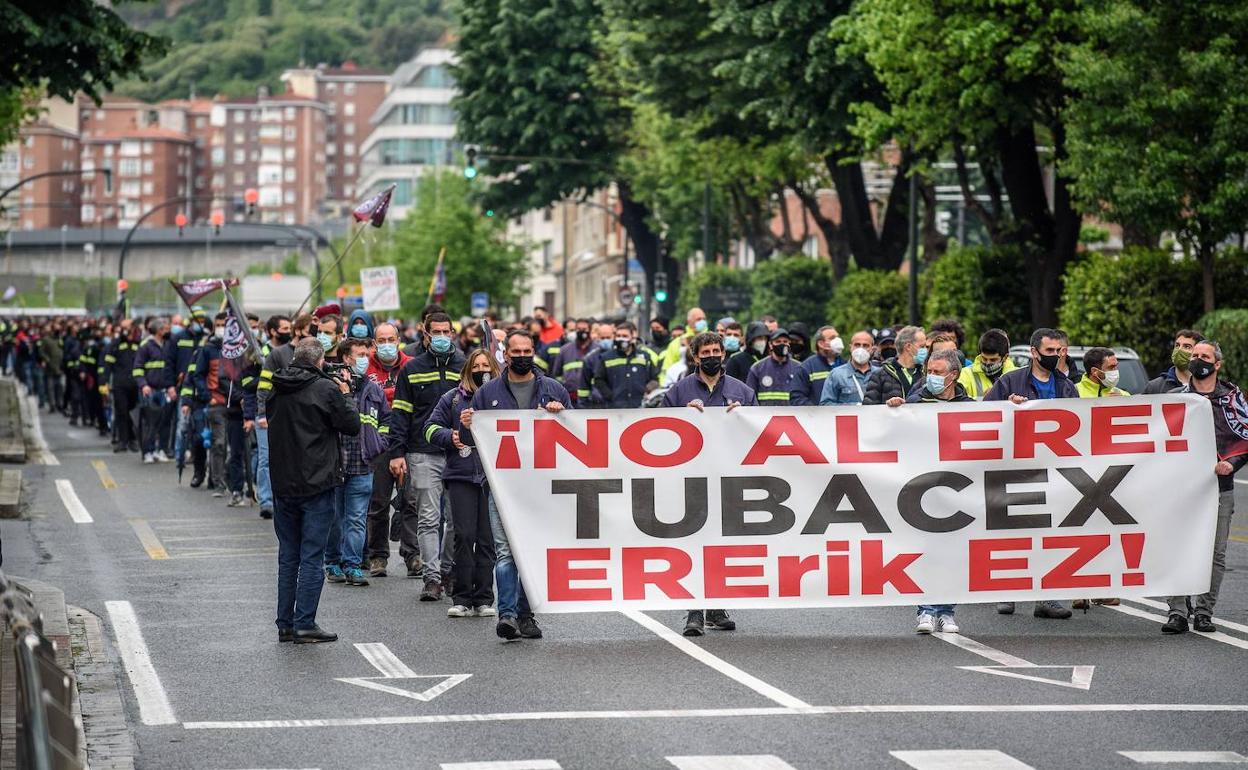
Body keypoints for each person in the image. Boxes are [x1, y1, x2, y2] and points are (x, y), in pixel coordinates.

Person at [460, 329, 570, 640]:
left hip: (541, 486)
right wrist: (466, 425)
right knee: (506, 552)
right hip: (502, 487)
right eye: (516, 351)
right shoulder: (487, 392)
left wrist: (560, 416)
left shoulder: (553, 389)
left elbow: (576, 436)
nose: (521, 356)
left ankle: (526, 615)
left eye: (527, 351)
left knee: (532, 551)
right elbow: (470, 441)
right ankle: (506, 615)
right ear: (505, 355)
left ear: (534, 352)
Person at [661, 331, 757, 636]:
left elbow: (763, 430)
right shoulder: (679, 391)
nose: (712, 356)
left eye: (717, 351)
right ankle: (694, 611)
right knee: (694, 543)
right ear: (695, 357)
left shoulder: (742, 391)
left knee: (721, 545)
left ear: (724, 355)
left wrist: (745, 417)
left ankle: (715, 607)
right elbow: (656, 429)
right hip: (691, 479)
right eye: (706, 352)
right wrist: (681, 416)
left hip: (729, 479)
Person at [268, 338, 361, 644]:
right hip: (317, 481)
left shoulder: (276, 387)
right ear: (320, 360)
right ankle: (305, 621)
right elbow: (351, 426)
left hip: (284, 482)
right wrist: (346, 394)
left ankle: (285, 623)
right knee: (312, 555)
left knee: (288, 555)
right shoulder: (326, 389)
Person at [984, 328, 1079, 619]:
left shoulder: (1067, 387)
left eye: (1060, 351)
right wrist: (1006, 408)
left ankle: (1046, 598)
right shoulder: (1010, 382)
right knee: (1014, 533)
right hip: (1015, 469)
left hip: (1053, 472)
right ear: (1035, 353)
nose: (1056, 356)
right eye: (1050, 351)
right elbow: (983, 417)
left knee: (1048, 535)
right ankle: (1008, 591)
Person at [1162, 340, 1247, 635]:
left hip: (1219, 487)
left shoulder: (1233, 399)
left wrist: (1231, 464)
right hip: (1180, 489)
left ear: (1217, 364)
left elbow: (1245, 440)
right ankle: (1176, 611)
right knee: (1177, 547)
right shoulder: (1175, 399)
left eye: (1204, 356)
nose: (1198, 359)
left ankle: (1204, 611)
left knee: (1216, 553)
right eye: (1195, 355)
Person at [886, 348, 971, 633]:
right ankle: (925, 610)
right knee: (924, 552)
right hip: (922, 491)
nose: (931, 378)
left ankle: (946, 612)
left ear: (954, 375)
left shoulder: (970, 406)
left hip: (957, 492)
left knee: (951, 554)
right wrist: (895, 413)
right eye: (929, 372)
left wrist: (1013, 407)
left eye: (937, 373)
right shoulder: (914, 404)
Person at [389, 312, 465, 599]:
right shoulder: (413, 368)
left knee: (457, 519)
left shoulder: (465, 367)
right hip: (422, 452)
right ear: (426, 334)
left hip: (460, 452)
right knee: (429, 518)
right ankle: (431, 578)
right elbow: (400, 414)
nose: (442, 337)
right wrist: (397, 452)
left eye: (447, 331)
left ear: (453, 333)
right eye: (437, 332)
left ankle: (449, 571)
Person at [427, 349, 499, 618]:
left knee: (487, 538)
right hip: (461, 475)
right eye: (476, 366)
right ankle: (461, 597)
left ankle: (484, 598)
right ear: (468, 369)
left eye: (486, 366)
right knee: (464, 535)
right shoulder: (453, 398)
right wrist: (452, 436)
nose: (481, 370)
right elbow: (430, 428)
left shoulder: (501, 398)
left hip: (494, 478)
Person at [323, 337, 389, 588]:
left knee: (357, 518)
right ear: (346, 358)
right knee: (334, 517)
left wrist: (379, 444)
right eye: (360, 354)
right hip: (335, 463)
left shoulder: (373, 390)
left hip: (363, 464)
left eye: (366, 354)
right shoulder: (329, 387)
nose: (365, 359)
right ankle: (332, 562)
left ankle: (352, 566)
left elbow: (387, 420)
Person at [362, 322, 413, 576]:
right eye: (381, 340)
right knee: (378, 501)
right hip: (379, 442)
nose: (386, 344)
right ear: (374, 343)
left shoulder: (411, 364)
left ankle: (412, 554)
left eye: (390, 339)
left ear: (398, 340)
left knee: (411, 500)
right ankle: (378, 556)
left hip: (408, 437)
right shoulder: (366, 365)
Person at [192, 313, 247, 506]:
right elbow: (198, 375)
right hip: (217, 403)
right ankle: (219, 483)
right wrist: (209, 397)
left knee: (237, 448)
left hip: (237, 405)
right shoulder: (208, 349)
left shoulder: (241, 349)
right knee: (219, 443)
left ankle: (237, 484)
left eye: (225, 324)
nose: (221, 327)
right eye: (218, 324)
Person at [256, 315, 296, 518]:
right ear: (273, 331)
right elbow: (259, 385)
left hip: (286, 414)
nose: (288, 331)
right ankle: (266, 500)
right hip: (266, 413)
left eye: (290, 327)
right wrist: (260, 412)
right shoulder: (263, 352)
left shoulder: (295, 353)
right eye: (284, 328)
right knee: (265, 458)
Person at [134, 318, 176, 464]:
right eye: (165, 329)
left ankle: (162, 450)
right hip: (150, 389)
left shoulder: (168, 344)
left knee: (165, 421)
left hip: (165, 389)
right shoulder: (146, 345)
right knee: (150, 422)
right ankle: (148, 451)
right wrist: (143, 385)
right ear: (159, 331)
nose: (168, 331)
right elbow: (138, 368)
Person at [593, 322, 656, 408]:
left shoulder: (644, 356)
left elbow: (654, 378)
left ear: (632, 337)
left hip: (640, 406)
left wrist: (647, 390)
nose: (621, 339)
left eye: (625, 336)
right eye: (618, 336)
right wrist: (610, 396)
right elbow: (598, 380)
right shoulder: (606, 357)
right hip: (615, 408)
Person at [862, 326, 925, 405]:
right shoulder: (880, 375)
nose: (925, 350)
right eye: (922, 346)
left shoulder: (927, 374)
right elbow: (868, 409)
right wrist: (888, 405)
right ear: (908, 347)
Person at [746, 328, 800, 404]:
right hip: (764, 415)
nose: (782, 344)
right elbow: (749, 397)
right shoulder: (757, 368)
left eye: (785, 341)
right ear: (770, 345)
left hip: (792, 415)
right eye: (778, 342)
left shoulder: (799, 368)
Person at [790, 325, 842, 405]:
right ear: (821, 344)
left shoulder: (846, 365)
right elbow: (797, 398)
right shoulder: (806, 368)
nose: (838, 341)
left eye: (838, 337)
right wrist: (816, 411)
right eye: (832, 338)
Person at [821, 330, 876, 405]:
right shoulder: (836, 375)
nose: (861, 349)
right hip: (850, 417)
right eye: (857, 345)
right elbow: (825, 404)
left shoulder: (880, 374)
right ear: (851, 347)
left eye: (865, 345)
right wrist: (853, 406)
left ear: (872, 349)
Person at [958, 329, 1015, 400]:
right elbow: (958, 402)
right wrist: (983, 399)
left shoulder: (1018, 375)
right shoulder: (965, 374)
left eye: (993, 360)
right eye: (984, 358)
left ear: (1005, 357)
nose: (988, 363)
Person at [1144, 329, 1205, 394]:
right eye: (1177, 345)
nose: (1179, 349)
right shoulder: (1155, 387)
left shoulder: (1209, 386)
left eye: (1187, 347)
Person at [551, 318, 594, 406]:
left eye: (585, 329)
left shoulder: (597, 349)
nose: (582, 332)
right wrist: (564, 388)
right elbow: (556, 375)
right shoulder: (564, 350)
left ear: (589, 330)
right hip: (570, 397)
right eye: (579, 329)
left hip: (592, 398)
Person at [660, 307, 707, 373]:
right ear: (689, 321)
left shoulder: (712, 340)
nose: (702, 321)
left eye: (704, 319)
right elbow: (666, 368)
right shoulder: (676, 343)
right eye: (698, 319)